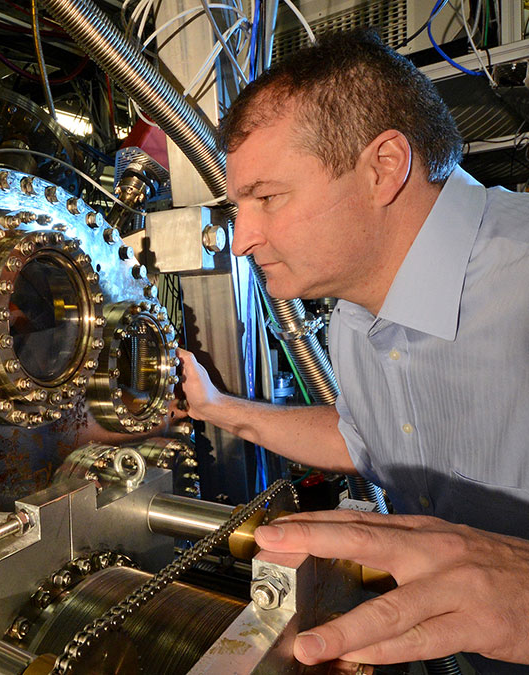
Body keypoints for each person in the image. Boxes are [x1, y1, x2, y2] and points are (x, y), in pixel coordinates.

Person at [176, 29, 529, 673]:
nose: (241, 239)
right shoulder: (352, 314)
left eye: (267, 197)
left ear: (384, 167)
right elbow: (371, 437)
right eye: (237, 206)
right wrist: (219, 408)